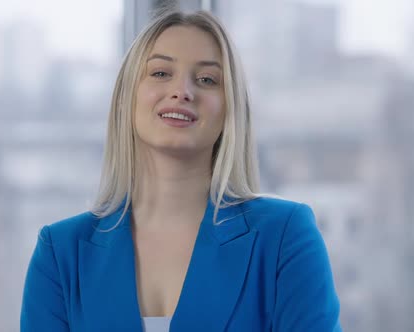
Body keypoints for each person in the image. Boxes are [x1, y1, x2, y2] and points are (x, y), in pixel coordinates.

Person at [20, 9, 342, 332]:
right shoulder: (60, 254)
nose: (182, 91)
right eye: (160, 73)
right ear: (125, 98)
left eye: (206, 79)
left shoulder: (284, 237)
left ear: (230, 109)